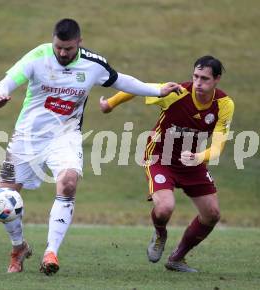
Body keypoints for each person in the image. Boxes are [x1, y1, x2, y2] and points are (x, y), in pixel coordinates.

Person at [0, 18, 182, 275]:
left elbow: (121, 80)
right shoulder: (38, 56)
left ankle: (51, 252)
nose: (62, 52)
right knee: (3, 199)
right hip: (26, 138)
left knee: (68, 181)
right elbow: (8, 81)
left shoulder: (92, 64)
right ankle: (19, 247)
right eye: (58, 46)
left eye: (68, 48)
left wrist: (157, 90)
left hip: (65, 136)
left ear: (79, 43)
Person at [99, 55, 234, 272]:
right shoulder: (176, 93)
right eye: (196, 76)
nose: (199, 83)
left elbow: (218, 146)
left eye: (205, 79)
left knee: (212, 214)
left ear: (217, 79)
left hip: (191, 161)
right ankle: (160, 232)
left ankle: (176, 258)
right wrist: (109, 104)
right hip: (159, 157)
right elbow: (137, 88)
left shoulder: (224, 104)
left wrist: (200, 157)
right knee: (164, 208)